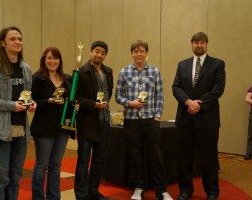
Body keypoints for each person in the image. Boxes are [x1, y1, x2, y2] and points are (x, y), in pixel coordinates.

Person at [0, 26, 36, 200]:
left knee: (16, 177)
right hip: (2, 132)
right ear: (3, 43)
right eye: (13, 39)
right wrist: (11, 105)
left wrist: (30, 103)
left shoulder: (25, 68)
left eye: (20, 38)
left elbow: (26, 94)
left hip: (22, 131)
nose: (18, 42)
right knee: (1, 178)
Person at [115, 40, 173, 200]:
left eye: (142, 51)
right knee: (135, 157)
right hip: (131, 120)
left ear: (146, 53)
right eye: (135, 51)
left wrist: (157, 115)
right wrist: (129, 103)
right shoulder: (124, 72)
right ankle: (139, 187)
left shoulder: (155, 72)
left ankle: (161, 190)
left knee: (157, 156)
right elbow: (118, 96)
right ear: (132, 53)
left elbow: (160, 95)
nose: (139, 54)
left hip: (150, 120)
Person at [172, 32, 226, 200]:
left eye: (202, 42)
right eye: (195, 42)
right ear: (192, 44)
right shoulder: (183, 65)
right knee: (184, 158)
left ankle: (212, 192)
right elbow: (176, 87)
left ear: (206, 44)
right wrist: (188, 102)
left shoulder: (217, 64)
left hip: (207, 120)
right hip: (185, 119)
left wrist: (198, 104)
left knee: (208, 159)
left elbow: (218, 89)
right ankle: (185, 191)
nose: (198, 45)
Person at [30, 46, 79, 199]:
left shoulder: (67, 78)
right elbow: (32, 101)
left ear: (60, 60)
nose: (52, 61)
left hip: (63, 127)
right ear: (44, 60)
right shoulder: (37, 78)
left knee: (56, 165)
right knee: (42, 165)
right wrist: (49, 101)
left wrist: (74, 105)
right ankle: (38, 197)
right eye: (49, 58)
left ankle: (54, 197)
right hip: (44, 127)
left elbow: (71, 99)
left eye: (55, 58)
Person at [74, 41, 113, 200]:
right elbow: (76, 98)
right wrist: (93, 105)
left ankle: (93, 191)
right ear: (90, 52)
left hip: (104, 120)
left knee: (99, 159)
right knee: (83, 160)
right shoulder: (82, 71)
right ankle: (81, 194)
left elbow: (108, 93)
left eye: (103, 52)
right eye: (97, 51)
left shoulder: (108, 71)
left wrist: (101, 106)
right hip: (87, 122)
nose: (99, 55)